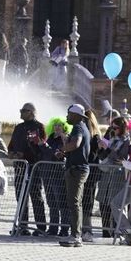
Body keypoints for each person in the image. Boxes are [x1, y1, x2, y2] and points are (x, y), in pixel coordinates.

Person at [58, 103, 93, 247]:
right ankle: (76, 235)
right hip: (78, 169)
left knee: (74, 203)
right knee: (75, 203)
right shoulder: (82, 127)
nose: (67, 116)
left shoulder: (78, 127)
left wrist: (62, 149)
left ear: (76, 115)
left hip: (77, 169)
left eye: (69, 114)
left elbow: (76, 144)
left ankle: (75, 236)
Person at [10, 103, 48, 236]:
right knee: (21, 197)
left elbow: (42, 147)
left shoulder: (39, 127)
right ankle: (22, 226)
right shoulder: (18, 128)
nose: (21, 112)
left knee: (36, 196)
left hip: (33, 167)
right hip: (20, 167)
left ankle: (41, 227)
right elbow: (11, 145)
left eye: (23, 110)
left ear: (31, 112)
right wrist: (12, 153)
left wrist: (26, 154)